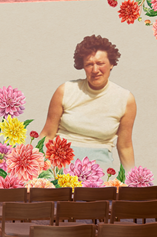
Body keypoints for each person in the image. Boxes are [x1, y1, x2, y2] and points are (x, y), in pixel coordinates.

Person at [39, 34, 136, 173]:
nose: (95, 70)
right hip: (60, 163)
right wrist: (34, 171)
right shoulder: (65, 90)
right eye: (89, 64)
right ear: (83, 67)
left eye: (100, 63)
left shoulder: (126, 99)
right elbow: (47, 134)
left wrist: (135, 183)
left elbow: (125, 146)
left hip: (99, 168)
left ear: (112, 64)